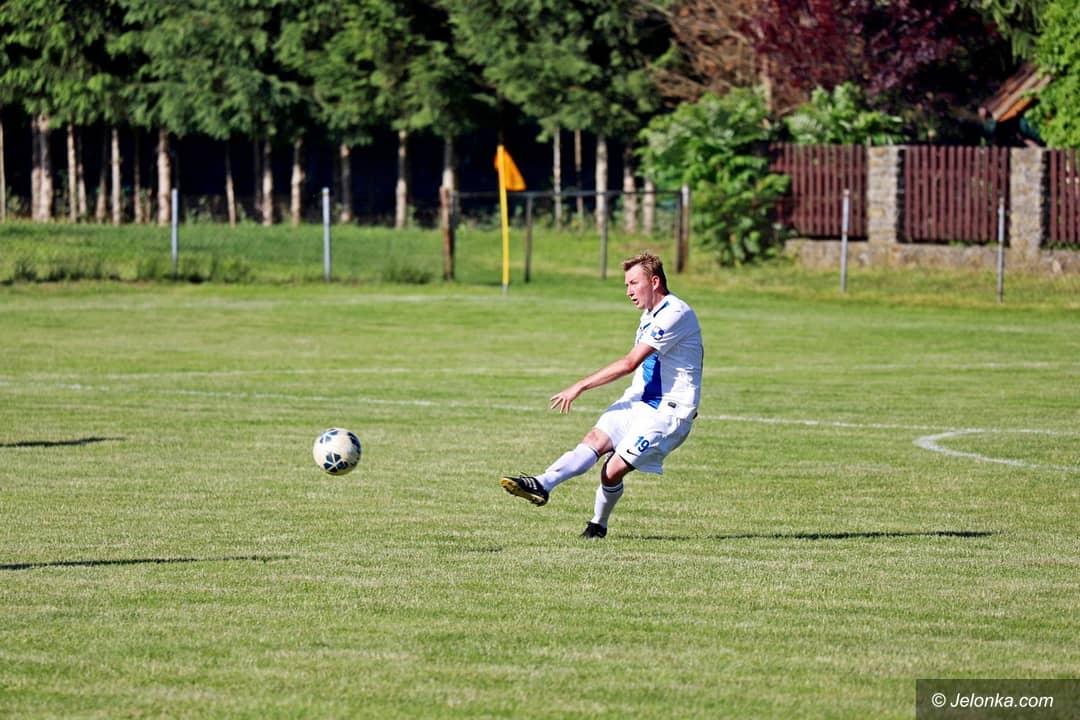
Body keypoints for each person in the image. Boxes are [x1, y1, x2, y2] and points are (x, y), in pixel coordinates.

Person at [500, 251, 704, 539]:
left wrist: (580, 385)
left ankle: (598, 526)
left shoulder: (674, 313)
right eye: (626, 285)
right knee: (594, 440)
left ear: (655, 282)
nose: (629, 291)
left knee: (611, 470)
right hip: (640, 400)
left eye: (634, 283)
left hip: (669, 412)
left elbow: (629, 363)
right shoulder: (650, 314)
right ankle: (542, 484)